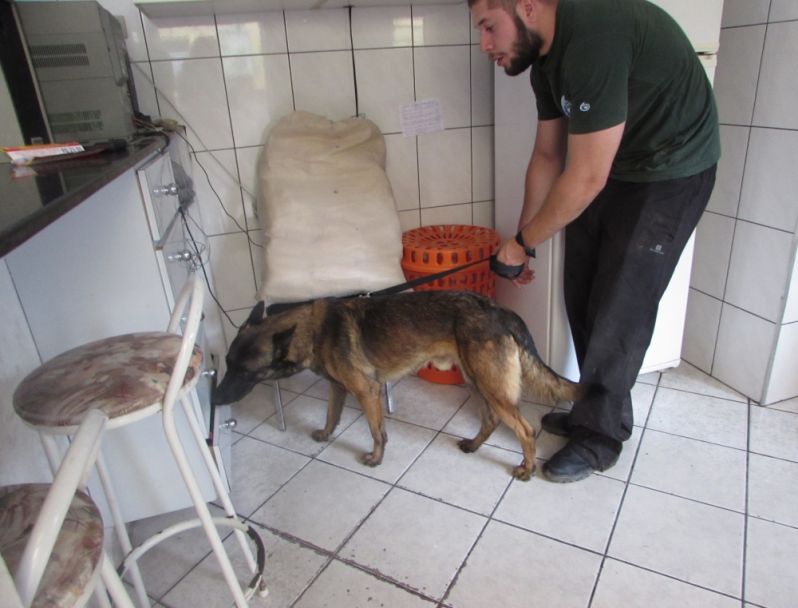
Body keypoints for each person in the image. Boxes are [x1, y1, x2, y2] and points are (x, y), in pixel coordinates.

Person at [470, 0, 720, 482]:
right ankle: (595, 409)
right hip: (613, 169)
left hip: (671, 170)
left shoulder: (594, 35)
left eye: (488, 26)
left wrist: (519, 244)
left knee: (619, 309)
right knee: (582, 294)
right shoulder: (544, 57)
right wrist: (527, 241)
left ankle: (600, 437)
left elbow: (584, 176)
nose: (484, 45)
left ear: (526, 6)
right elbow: (547, 155)